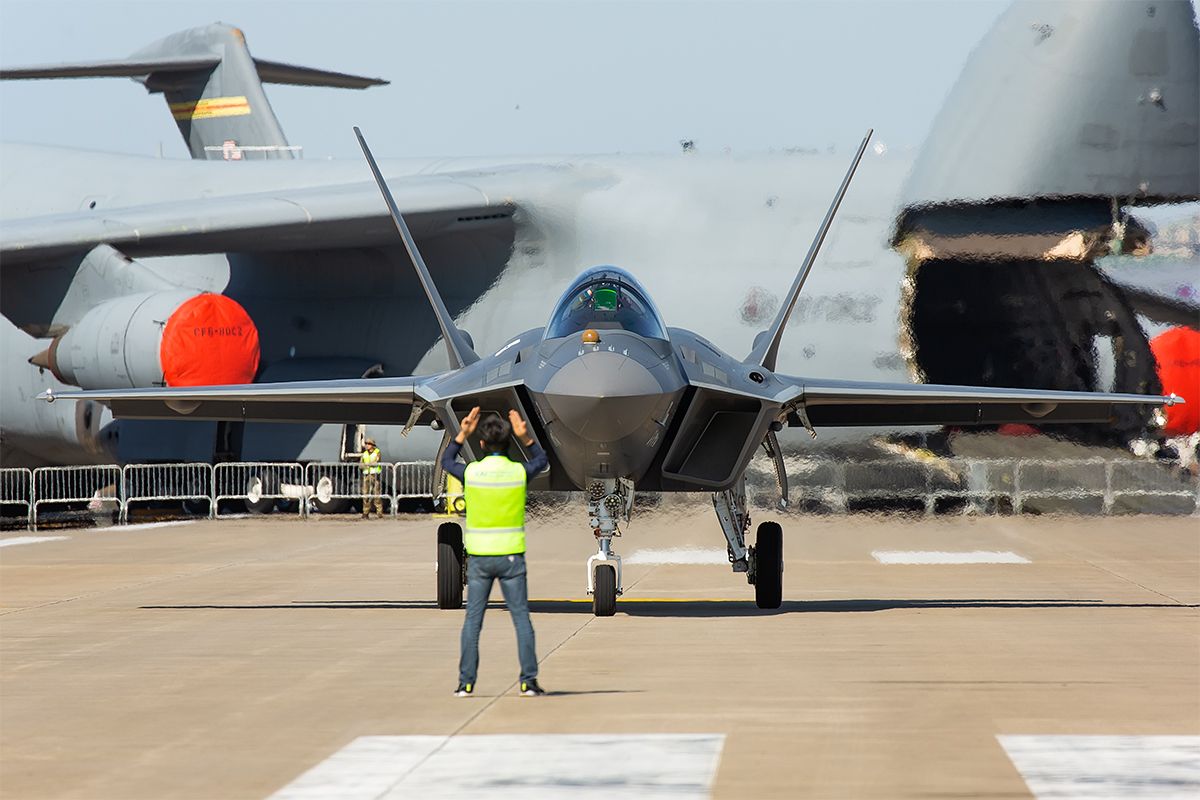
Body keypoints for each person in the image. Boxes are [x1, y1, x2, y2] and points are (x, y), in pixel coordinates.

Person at [440, 407, 549, 697]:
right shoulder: (517, 473)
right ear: (508, 442)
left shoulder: (472, 473)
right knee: (521, 620)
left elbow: (447, 461)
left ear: (483, 444)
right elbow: (541, 460)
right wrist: (526, 437)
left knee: (473, 623)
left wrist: (462, 433)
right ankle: (529, 682)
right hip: (512, 558)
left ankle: (465, 684)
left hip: (479, 560)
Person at [360, 437, 383, 518]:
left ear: (373, 445)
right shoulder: (364, 454)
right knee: (365, 495)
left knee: (377, 495)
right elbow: (361, 465)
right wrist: (365, 465)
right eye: (366, 444)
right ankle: (365, 513)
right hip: (366, 475)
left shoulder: (377, 452)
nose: (367, 445)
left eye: (368, 444)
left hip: (375, 475)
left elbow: (376, 462)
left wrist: (368, 464)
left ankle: (379, 513)